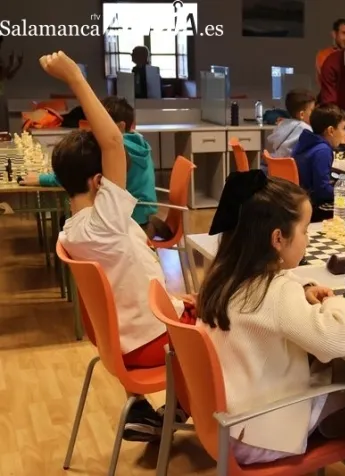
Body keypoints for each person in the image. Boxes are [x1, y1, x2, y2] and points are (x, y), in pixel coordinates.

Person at [40, 50, 189, 441]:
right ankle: (189, 411)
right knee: (226, 324)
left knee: (196, 307)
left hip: (121, 341)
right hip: (151, 342)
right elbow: (112, 143)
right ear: (97, 182)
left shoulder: (71, 232)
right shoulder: (104, 222)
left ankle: (148, 412)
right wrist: (75, 77)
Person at [198, 170, 345, 465]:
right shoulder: (276, 292)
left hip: (227, 423)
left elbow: (276, 304)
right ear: (278, 238)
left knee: (333, 374)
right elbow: (335, 342)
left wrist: (304, 288)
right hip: (263, 434)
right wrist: (337, 303)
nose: (307, 239)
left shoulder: (225, 275)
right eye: (305, 230)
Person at [20, 96, 171, 239]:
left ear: (120, 126)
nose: (93, 128)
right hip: (140, 214)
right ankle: (152, 227)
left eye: (100, 123)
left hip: (126, 222)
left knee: (67, 221)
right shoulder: (139, 143)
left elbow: (78, 177)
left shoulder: (117, 150)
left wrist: (41, 179)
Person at [291, 104, 345, 221]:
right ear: (331, 130)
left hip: (304, 202)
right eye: (342, 129)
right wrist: (344, 191)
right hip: (319, 206)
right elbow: (322, 190)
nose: (344, 134)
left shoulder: (306, 142)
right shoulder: (322, 150)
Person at [266, 89, 316, 159]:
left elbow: (271, 139)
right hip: (293, 164)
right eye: (312, 111)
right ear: (302, 114)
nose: (315, 114)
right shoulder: (306, 129)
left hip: (277, 163)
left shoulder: (282, 123)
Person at [0, 37, 24, 132]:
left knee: (3, 122)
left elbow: (8, 76)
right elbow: (2, 76)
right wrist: (10, 64)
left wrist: (18, 65)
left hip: (1, 94)